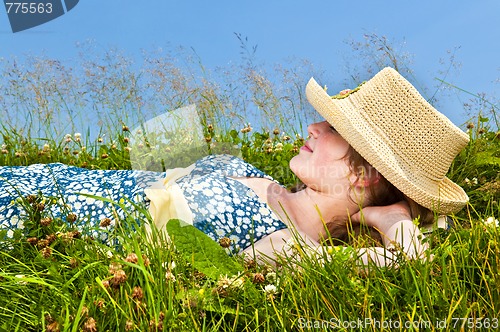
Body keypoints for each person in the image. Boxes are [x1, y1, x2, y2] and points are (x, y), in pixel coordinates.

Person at [0, 67, 469, 266]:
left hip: (26, 219)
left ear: (362, 174)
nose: (313, 127)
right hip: (40, 178)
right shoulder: (252, 172)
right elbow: (140, 156)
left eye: (335, 130)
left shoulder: (288, 246)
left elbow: (409, 260)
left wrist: (393, 218)